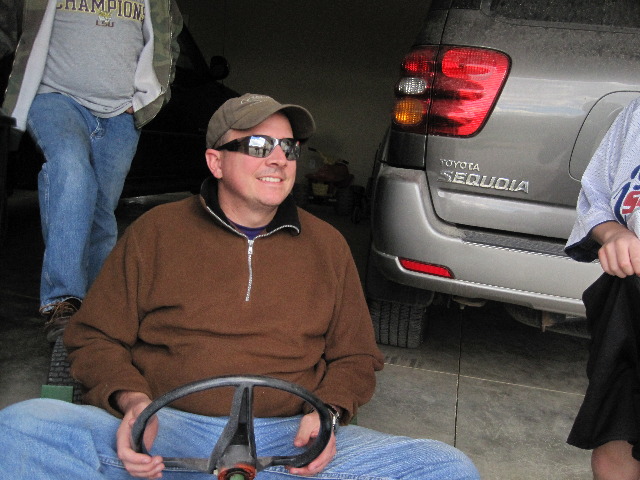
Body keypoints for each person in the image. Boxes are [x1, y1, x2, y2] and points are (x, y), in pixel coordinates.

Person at [0, 93, 480, 479]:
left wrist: (327, 415)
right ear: (216, 161)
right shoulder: (156, 233)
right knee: (21, 430)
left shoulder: (328, 246)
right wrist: (133, 402)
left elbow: (356, 357)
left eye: (288, 148)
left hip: (288, 445)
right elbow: (93, 337)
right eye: (257, 146)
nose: (279, 159)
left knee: (445, 468)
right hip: (166, 435)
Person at [1, 0, 182, 343]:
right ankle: (63, 302)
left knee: (100, 210)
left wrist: (150, 97)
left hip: (122, 111)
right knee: (72, 173)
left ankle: (95, 310)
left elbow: (169, 37)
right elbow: (7, 26)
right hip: (54, 96)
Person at [565, 96, 640, 480]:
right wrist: (614, 234)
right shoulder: (636, 113)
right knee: (614, 445)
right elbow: (595, 196)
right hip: (630, 298)